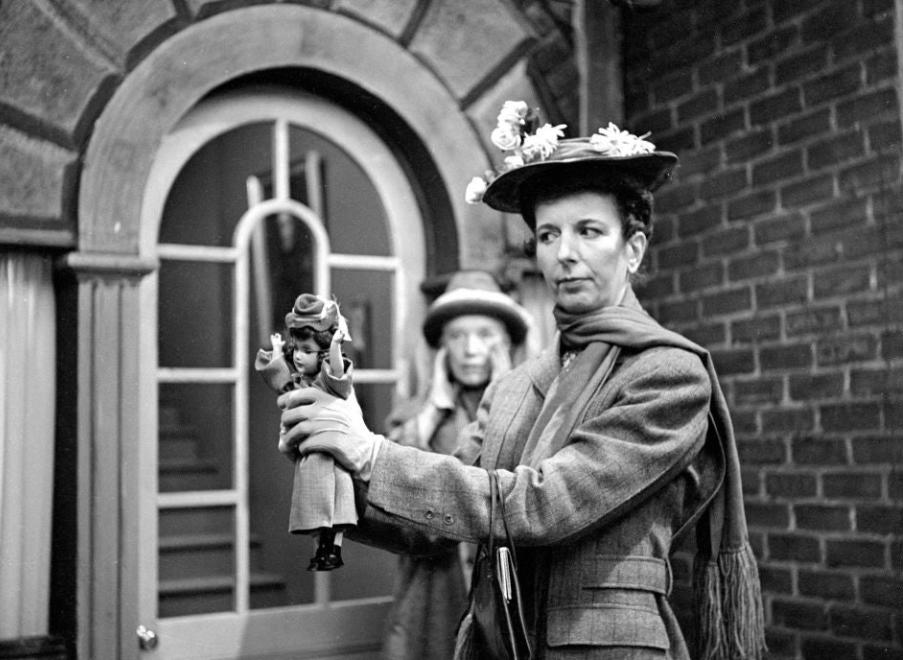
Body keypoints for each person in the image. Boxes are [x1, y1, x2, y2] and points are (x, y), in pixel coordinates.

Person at [278, 101, 766, 659]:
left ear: (632, 249)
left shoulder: (667, 376)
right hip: (495, 645)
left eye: (589, 231)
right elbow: (433, 529)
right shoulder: (512, 386)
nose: (566, 254)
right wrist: (331, 455)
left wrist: (371, 454)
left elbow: (546, 506)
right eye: (549, 235)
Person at [382, 270, 531, 660]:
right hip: (433, 593)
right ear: (442, 348)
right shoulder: (414, 415)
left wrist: (506, 396)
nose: (469, 349)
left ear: (507, 345)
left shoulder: (536, 411)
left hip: (506, 595)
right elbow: (398, 494)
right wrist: (434, 405)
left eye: (484, 335)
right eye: (456, 336)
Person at [255, 293, 354, 571]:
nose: (298, 356)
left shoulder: (328, 383)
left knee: (334, 509)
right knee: (316, 510)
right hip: (310, 456)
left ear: (321, 353)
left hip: (333, 458)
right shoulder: (300, 382)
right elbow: (282, 381)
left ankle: (333, 550)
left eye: (307, 351)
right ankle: (323, 551)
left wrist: (335, 345)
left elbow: (337, 370)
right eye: (296, 349)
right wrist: (277, 352)